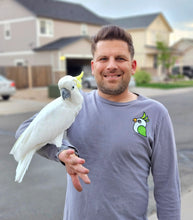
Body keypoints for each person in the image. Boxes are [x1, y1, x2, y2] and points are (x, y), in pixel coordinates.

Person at [15, 25, 181, 220]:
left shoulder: (155, 113)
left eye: (120, 58)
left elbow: (167, 188)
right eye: (103, 59)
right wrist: (62, 153)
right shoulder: (74, 105)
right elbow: (24, 130)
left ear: (133, 66)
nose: (111, 65)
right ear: (93, 68)